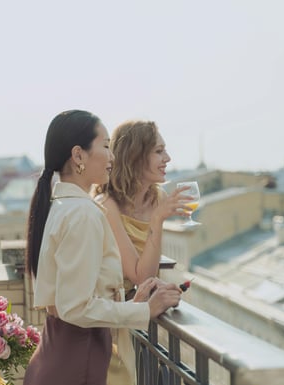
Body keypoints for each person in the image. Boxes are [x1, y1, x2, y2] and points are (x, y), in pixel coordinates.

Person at [23, 110, 182, 385]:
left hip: (61, 354)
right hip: (78, 359)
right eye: (106, 146)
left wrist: (133, 303)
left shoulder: (63, 206)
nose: (112, 157)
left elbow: (71, 300)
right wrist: (145, 310)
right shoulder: (84, 213)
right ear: (78, 156)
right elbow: (75, 307)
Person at [94, 119, 191, 385]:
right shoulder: (107, 204)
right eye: (159, 151)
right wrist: (158, 220)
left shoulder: (157, 197)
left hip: (145, 315)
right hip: (116, 322)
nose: (167, 158)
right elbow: (139, 276)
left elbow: (148, 276)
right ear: (136, 156)